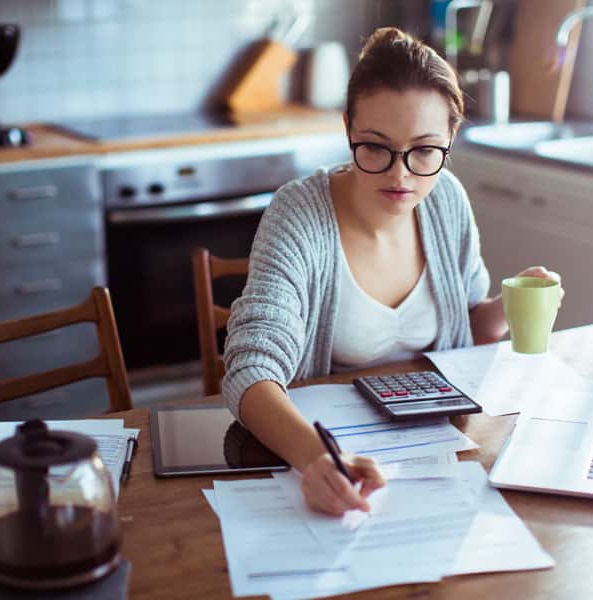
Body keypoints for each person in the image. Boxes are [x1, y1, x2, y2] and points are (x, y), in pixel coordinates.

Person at [222, 27, 561, 516]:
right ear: (348, 129)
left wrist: (509, 307)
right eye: (376, 147)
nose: (400, 175)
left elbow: (465, 325)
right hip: (330, 455)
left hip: (438, 457)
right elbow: (250, 372)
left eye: (424, 150)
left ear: (450, 137)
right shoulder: (299, 213)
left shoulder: (446, 199)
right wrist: (319, 460)